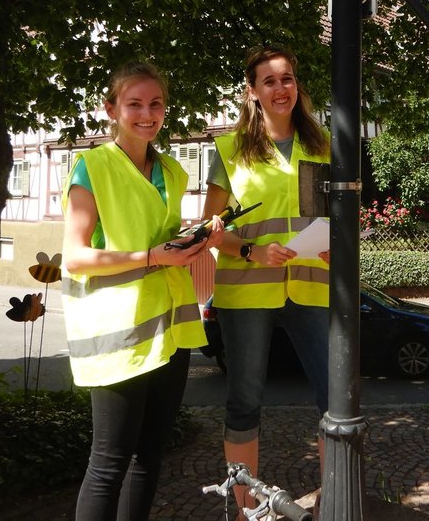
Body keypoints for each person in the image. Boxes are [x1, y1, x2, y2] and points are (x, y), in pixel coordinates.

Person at [61, 61, 225, 521]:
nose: (146, 114)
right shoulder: (90, 166)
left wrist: (197, 241)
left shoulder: (172, 171)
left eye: (156, 104)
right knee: (108, 464)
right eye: (134, 104)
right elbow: (74, 257)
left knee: (150, 456)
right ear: (111, 108)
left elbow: (163, 240)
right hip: (117, 332)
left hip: (169, 329)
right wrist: (154, 256)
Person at [201, 44, 330, 518]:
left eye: (288, 78)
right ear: (252, 92)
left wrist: (335, 242)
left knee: (334, 397)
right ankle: (241, 510)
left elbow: (326, 216)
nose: (281, 88)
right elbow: (211, 229)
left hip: (313, 284)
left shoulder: (323, 145)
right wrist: (253, 250)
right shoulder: (229, 149)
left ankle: (331, 500)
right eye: (270, 81)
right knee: (244, 401)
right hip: (247, 288)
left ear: (298, 86)